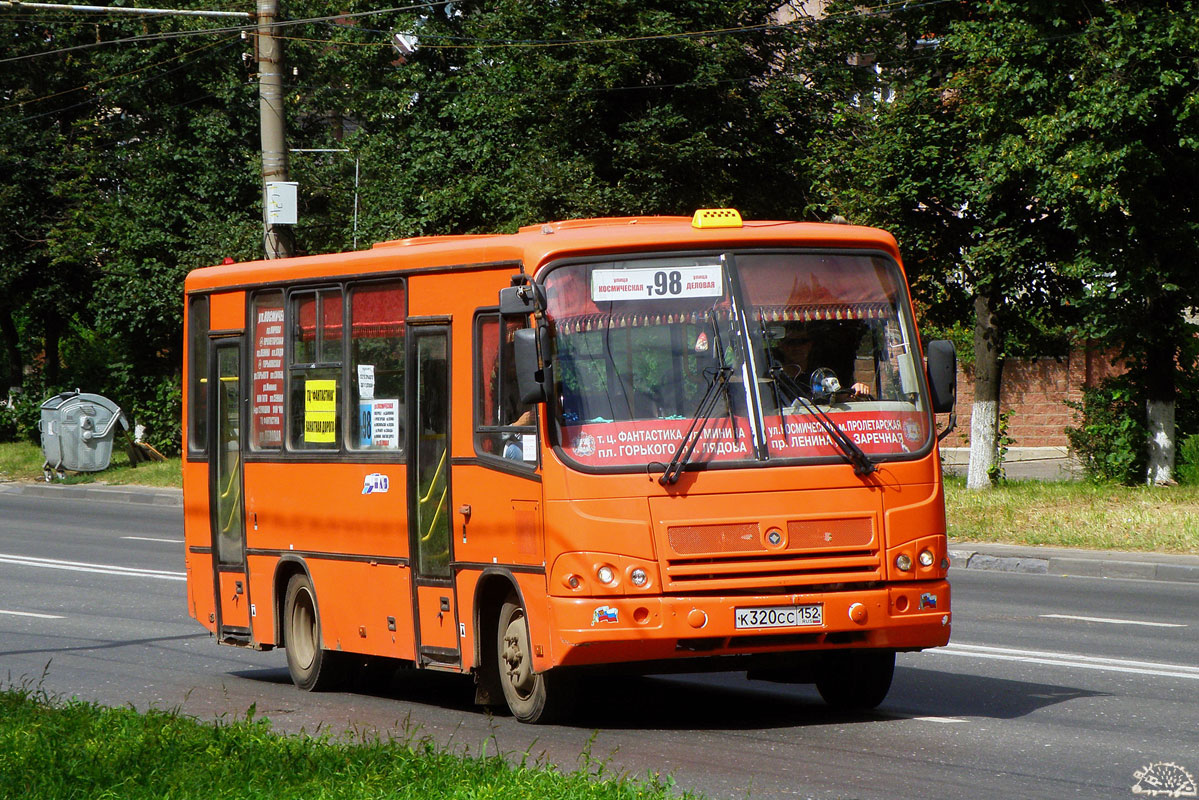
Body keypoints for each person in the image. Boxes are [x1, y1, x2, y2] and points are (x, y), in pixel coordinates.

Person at [770, 324, 871, 401]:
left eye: (802, 342)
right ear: (781, 346)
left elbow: (840, 395)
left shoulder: (821, 376)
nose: (797, 347)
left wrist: (856, 391)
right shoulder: (773, 378)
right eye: (791, 342)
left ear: (810, 345)